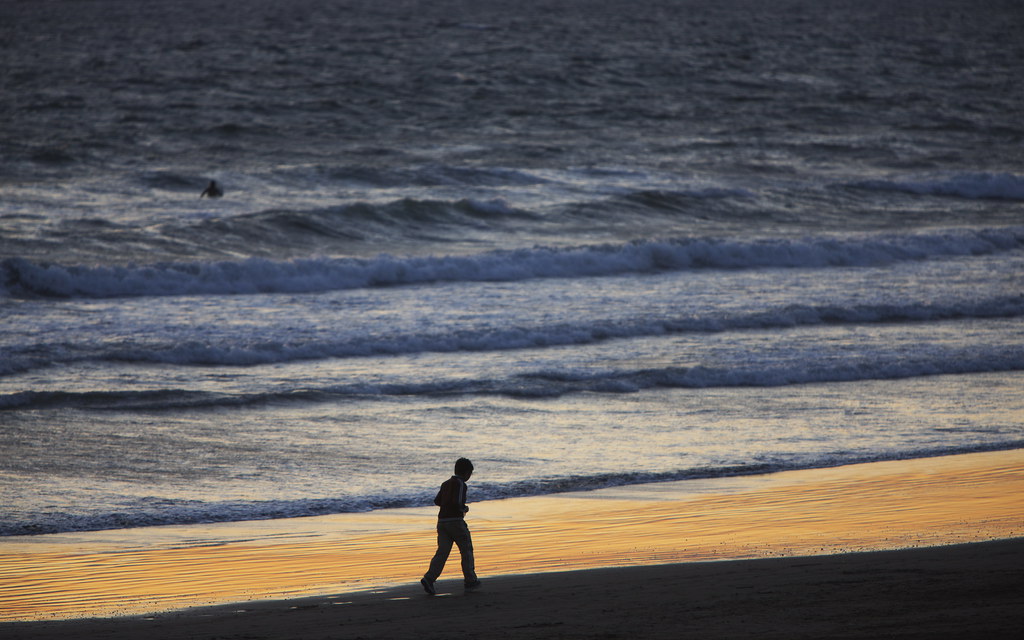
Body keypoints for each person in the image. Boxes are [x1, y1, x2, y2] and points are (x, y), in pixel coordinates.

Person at [421, 457, 481, 594]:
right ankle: (470, 580)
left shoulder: (445, 484)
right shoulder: (460, 484)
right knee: (466, 550)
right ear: (466, 473)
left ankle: (429, 578)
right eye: (470, 474)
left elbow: (437, 501)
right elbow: (457, 502)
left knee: (442, 552)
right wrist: (463, 509)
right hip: (456, 522)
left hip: (442, 522)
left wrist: (447, 505)